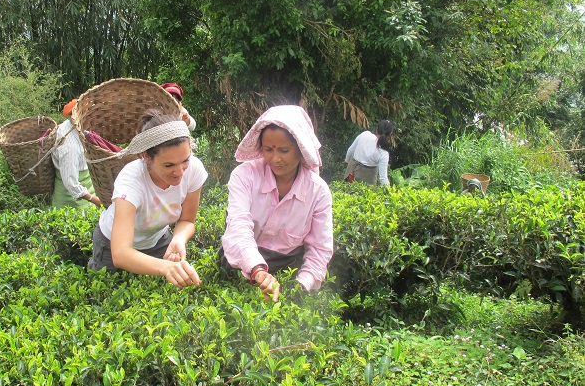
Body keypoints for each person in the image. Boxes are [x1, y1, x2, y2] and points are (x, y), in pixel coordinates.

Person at [219, 105, 334, 302]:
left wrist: (301, 286)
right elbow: (238, 227)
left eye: (284, 150)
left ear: (301, 149)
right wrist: (257, 270)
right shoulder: (244, 176)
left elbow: (320, 249)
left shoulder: (318, 192)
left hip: (290, 265)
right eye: (268, 150)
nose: (275, 159)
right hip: (241, 263)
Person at [87, 110, 208, 288]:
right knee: (105, 294)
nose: (180, 172)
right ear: (147, 157)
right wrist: (165, 268)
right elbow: (120, 253)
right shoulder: (131, 179)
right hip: (111, 244)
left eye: (185, 160)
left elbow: (188, 220)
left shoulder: (194, 170)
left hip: (157, 240)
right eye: (169, 165)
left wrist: (178, 239)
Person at [51, 99, 101, 209]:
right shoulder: (69, 146)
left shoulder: (74, 127)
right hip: (69, 198)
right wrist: (95, 200)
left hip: (87, 186)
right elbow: (71, 182)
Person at [343, 120, 395, 186]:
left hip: (350, 173)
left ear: (377, 129)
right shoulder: (383, 153)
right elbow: (383, 178)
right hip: (367, 181)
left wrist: (346, 161)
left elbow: (350, 150)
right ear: (390, 135)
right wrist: (389, 193)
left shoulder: (365, 134)